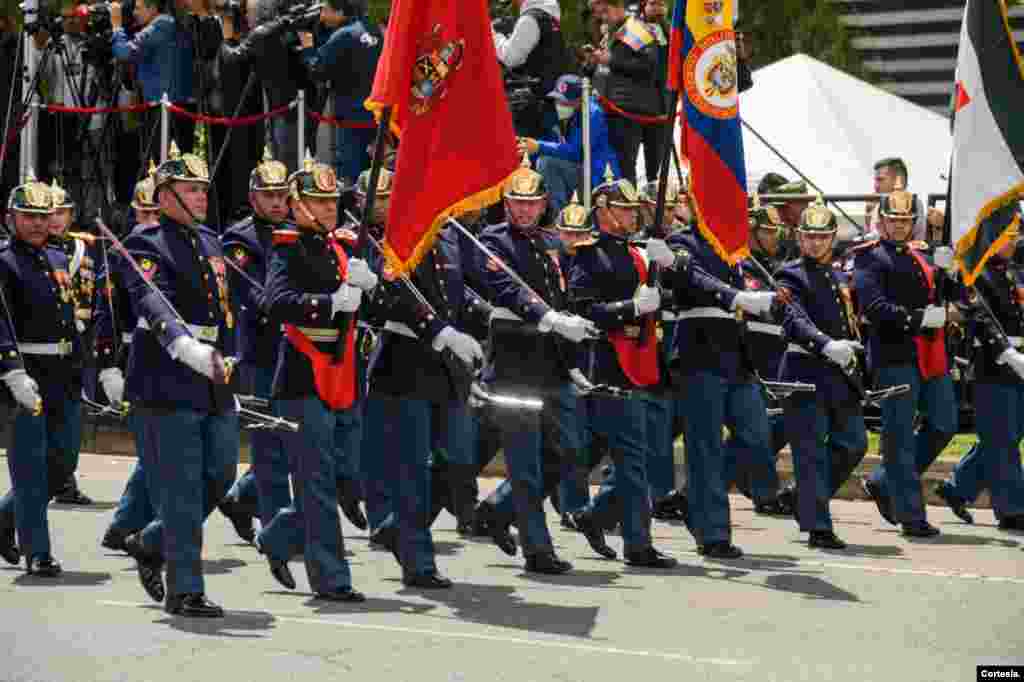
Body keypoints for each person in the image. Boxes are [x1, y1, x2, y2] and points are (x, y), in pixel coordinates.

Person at [117, 143, 239, 617]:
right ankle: (185, 589)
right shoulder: (145, 244)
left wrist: (233, 354)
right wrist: (183, 345)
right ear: (165, 196)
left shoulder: (210, 241)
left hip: (213, 379)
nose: (202, 197)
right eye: (191, 189)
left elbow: (228, 311)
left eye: (204, 189)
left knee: (221, 473)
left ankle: (150, 541)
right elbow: (154, 304)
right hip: (166, 378)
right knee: (182, 488)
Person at [257, 154, 373, 603]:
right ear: (296, 204)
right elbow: (276, 301)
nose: (328, 209)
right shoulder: (287, 246)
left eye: (332, 201)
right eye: (318, 202)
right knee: (318, 482)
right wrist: (330, 302)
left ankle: (276, 538)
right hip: (304, 376)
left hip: (343, 371)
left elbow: (365, 306)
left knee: (345, 475)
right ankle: (331, 579)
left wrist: (370, 286)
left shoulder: (338, 245)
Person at [478, 156, 594, 574]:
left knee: (572, 453)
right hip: (514, 364)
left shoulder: (552, 243)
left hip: (554, 365)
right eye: (517, 202)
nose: (525, 209)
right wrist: (547, 316)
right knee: (525, 461)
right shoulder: (491, 241)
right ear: (506, 203)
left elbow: (565, 299)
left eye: (532, 203)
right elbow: (505, 288)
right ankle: (537, 549)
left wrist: (575, 357)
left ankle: (499, 508)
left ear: (545, 204)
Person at [566, 170, 677, 568]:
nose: (632, 216)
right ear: (603, 210)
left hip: (639, 359)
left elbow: (661, 294)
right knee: (631, 459)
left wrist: (666, 272)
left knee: (619, 455)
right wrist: (631, 308)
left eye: (634, 209)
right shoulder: (587, 253)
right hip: (607, 362)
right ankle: (637, 544)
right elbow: (582, 308)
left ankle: (590, 517)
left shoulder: (635, 252)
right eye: (624, 209)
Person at [854, 189, 957, 538]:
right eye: (893, 220)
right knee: (898, 438)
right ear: (882, 220)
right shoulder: (869, 257)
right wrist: (917, 318)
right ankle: (910, 515)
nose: (899, 226)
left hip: (930, 353)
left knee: (944, 423)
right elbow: (873, 307)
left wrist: (947, 272)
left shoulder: (923, 255)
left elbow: (946, 298)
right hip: (893, 354)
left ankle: (884, 481)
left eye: (905, 220)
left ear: (915, 222)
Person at [774, 201, 868, 550]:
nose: (814, 243)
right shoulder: (789, 275)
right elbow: (793, 320)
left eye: (821, 237)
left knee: (854, 442)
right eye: (808, 236)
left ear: (833, 238)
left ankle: (804, 498)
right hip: (804, 371)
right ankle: (818, 526)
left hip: (839, 373)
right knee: (810, 452)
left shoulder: (839, 274)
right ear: (799, 237)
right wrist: (826, 344)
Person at [0, 177, 81, 577]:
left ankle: (4, 517)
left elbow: (69, 319)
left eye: (42, 216)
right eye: (27, 216)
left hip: (63, 375)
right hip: (25, 375)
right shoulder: (4, 261)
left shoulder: (57, 257)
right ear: (10, 218)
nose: (35, 223)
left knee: (63, 461)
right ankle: (38, 552)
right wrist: (12, 371)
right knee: (30, 469)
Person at [217, 148, 295, 542]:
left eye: (283, 194)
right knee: (268, 441)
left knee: (290, 437)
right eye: (269, 196)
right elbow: (254, 292)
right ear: (253, 199)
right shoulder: (239, 240)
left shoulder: (299, 229)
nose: (278, 203)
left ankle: (242, 497)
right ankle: (277, 526)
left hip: (297, 350)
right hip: (260, 350)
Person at [943, 222, 1024, 532]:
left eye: (1015, 237)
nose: (1013, 243)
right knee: (1002, 440)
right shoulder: (975, 273)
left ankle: (958, 487)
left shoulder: (1012, 272)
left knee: (1006, 434)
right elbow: (981, 318)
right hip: (993, 365)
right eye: (1008, 237)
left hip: (1018, 365)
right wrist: (1006, 352)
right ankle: (1012, 509)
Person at [97, 171, 161, 553]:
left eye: (157, 213)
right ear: (135, 214)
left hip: (176, 355)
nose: (151, 221)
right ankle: (137, 527)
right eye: (146, 213)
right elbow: (106, 311)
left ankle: (126, 526)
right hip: (132, 352)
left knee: (157, 451)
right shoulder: (124, 253)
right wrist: (108, 366)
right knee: (156, 449)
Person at [46, 179, 96, 506]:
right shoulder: (30, 251)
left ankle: (64, 478)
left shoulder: (82, 247)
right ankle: (49, 481)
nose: (56, 219)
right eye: (50, 213)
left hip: (77, 342)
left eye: (62, 212)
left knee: (72, 420)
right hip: (44, 345)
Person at [298, 0, 382, 183]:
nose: (321, 16)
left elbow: (317, 70)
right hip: (376, 114)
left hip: (351, 117)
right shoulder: (374, 29)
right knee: (374, 173)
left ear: (341, 12)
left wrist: (307, 48)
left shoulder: (342, 36)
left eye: (326, 10)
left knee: (352, 173)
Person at [582, 0, 662, 184]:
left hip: (630, 109)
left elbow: (649, 67)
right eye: (599, 14)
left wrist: (611, 61)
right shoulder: (615, 31)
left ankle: (630, 209)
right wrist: (594, 61)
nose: (603, 18)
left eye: (605, 12)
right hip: (617, 107)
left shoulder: (635, 29)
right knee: (621, 167)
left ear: (615, 5)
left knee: (626, 168)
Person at [517, 74, 621, 214]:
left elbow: (576, 152)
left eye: (565, 102)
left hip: (596, 177)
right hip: (580, 170)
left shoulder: (592, 114)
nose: (560, 105)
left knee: (547, 163)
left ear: (579, 100)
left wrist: (539, 146)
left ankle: (560, 216)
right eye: (558, 100)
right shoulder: (571, 113)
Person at [493, 0, 569, 138]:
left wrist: (495, 36)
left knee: (530, 154)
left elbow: (511, 58)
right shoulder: (547, 17)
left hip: (533, 105)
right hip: (548, 99)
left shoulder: (530, 19)